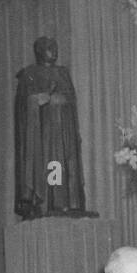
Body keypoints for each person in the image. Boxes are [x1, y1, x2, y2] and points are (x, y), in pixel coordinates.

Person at [14, 35, 86, 218]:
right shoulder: (29, 73)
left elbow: (70, 98)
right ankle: (45, 203)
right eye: (48, 47)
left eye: (55, 47)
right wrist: (37, 100)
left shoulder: (62, 72)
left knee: (64, 165)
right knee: (47, 166)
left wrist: (55, 99)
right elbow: (24, 103)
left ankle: (66, 203)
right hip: (42, 133)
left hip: (63, 132)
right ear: (38, 51)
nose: (53, 51)